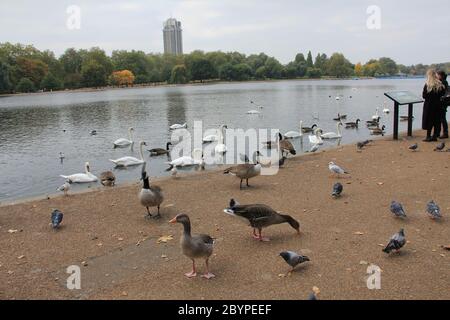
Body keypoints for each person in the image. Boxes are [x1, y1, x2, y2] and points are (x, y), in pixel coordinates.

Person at [422, 69, 446, 142]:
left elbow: (424, 96)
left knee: (429, 120)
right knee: (436, 121)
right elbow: (442, 93)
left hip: (429, 105)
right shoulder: (440, 84)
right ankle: (435, 136)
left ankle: (428, 136)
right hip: (438, 104)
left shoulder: (427, 85)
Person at [437, 70, 449, 139]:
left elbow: (442, 92)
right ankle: (443, 132)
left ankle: (445, 133)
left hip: (442, 103)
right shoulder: (444, 81)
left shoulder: (443, 82)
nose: (437, 76)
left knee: (442, 118)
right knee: (442, 118)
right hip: (444, 102)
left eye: (437, 75)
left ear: (440, 75)